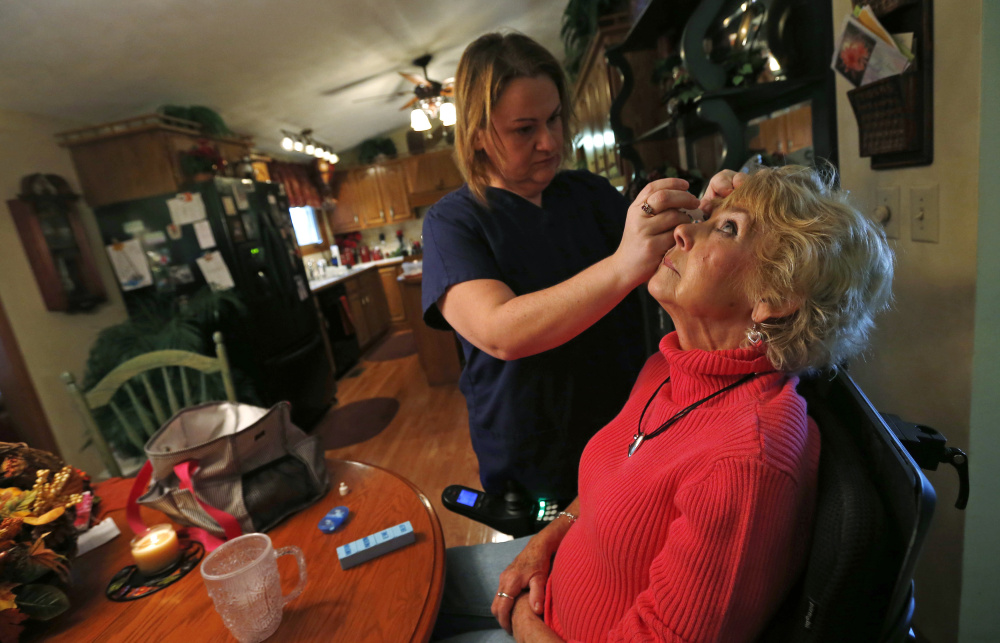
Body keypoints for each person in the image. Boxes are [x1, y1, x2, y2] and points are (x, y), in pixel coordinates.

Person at [431, 164, 895, 643]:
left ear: (774, 298)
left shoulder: (747, 461)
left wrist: (528, 625)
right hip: (555, 575)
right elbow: (604, 487)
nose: (681, 231)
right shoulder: (670, 367)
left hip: (549, 630)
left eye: (726, 228)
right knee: (413, 579)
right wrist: (548, 540)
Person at [421, 31, 740, 505]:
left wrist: (706, 213)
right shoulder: (452, 222)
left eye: (554, 119)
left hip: (630, 429)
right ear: (478, 134)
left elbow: (670, 248)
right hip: (536, 459)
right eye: (524, 129)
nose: (550, 142)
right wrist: (621, 265)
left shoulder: (587, 193)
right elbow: (499, 331)